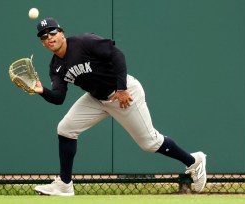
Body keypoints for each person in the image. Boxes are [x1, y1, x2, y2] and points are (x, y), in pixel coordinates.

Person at [33, 17, 207, 196]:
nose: (49, 37)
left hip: (123, 93)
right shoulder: (55, 67)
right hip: (96, 98)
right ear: (42, 44)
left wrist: (122, 88)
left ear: (62, 33)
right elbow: (58, 97)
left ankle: (194, 161)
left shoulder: (83, 42)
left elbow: (117, 54)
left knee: (150, 143)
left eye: (52, 32)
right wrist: (41, 90)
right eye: (44, 36)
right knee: (65, 129)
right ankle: (64, 184)